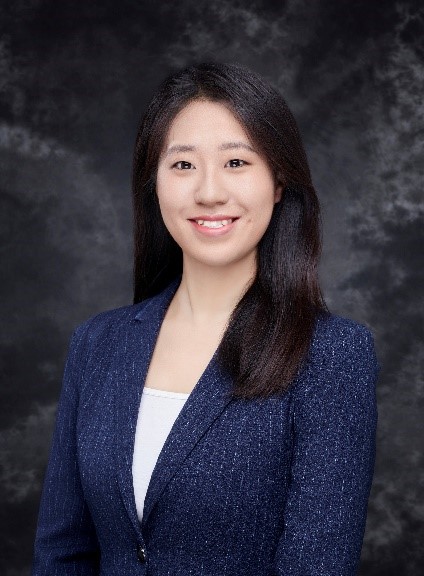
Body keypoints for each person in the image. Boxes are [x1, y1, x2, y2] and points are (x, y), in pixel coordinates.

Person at [32, 62, 379, 576]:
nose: (209, 192)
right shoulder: (97, 342)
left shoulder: (331, 354)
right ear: (154, 183)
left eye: (236, 162)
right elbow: (62, 553)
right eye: (183, 165)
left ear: (278, 181)